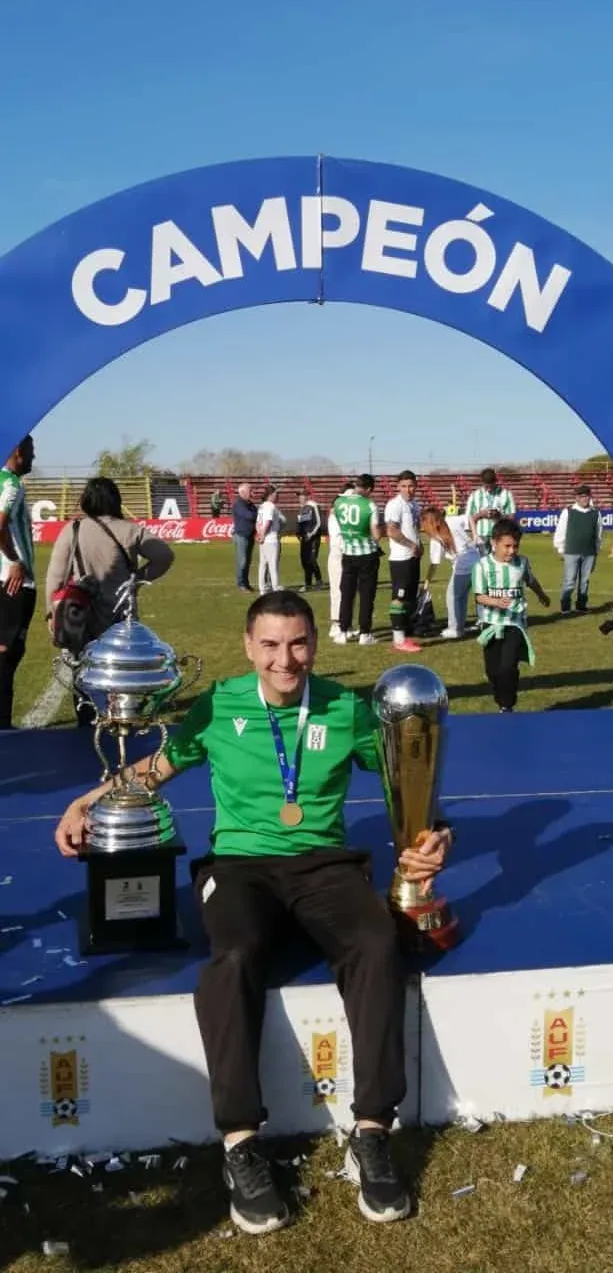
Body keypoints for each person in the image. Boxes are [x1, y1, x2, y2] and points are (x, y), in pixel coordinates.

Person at [54, 590, 453, 1234]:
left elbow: (406, 783)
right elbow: (156, 768)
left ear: (314, 644)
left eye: (297, 643)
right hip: (239, 868)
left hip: (325, 866)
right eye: (269, 645)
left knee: (376, 945)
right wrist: (86, 801)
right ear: (247, 647)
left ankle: (373, 1131)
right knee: (233, 957)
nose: (284, 659)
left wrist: (433, 836)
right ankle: (240, 1142)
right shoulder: (218, 705)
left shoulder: (346, 707)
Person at [45, 477, 174, 724]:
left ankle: (87, 723)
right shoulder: (129, 530)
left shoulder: (73, 529)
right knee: (121, 672)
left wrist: (52, 612)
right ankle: (121, 721)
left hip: (82, 615)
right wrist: (137, 579)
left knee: (83, 669)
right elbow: (164, 555)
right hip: (121, 615)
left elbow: (56, 576)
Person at [473, 518, 550, 712]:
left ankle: (507, 706)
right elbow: (479, 596)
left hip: (515, 623)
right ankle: (503, 697)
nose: (512, 551)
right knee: (493, 671)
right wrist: (495, 602)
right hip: (490, 624)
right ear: (494, 543)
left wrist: (541, 595)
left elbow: (531, 580)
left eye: (515, 546)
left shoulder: (522, 563)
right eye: (507, 546)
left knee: (507, 667)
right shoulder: (482, 566)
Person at [0, 434, 36, 729]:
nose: (34, 457)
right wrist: (14, 560)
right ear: (18, 451)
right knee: (6, 651)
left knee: (11, 649)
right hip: (12, 582)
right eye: (31, 450)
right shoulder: (11, 484)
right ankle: (2, 723)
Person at [332, 474, 382, 647]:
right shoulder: (369, 505)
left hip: (348, 552)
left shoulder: (339, 502)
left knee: (347, 594)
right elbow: (376, 535)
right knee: (366, 595)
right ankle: (365, 633)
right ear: (368, 489)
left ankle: (343, 630)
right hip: (367, 553)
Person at [421, 507, 480, 640]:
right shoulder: (452, 521)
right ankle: (461, 626)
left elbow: (434, 563)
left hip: (463, 567)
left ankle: (455, 629)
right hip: (477, 561)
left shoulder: (436, 538)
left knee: (452, 597)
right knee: (462, 597)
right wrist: (475, 535)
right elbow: (470, 517)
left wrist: (427, 582)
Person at [384, 470, 422, 653]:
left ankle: (405, 632)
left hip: (413, 557)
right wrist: (411, 545)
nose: (408, 489)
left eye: (411, 486)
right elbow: (391, 530)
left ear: (416, 486)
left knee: (409, 597)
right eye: (404, 486)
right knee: (399, 597)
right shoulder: (395, 505)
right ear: (398, 487)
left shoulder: (414, 505)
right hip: (401, 558)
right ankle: (398, 639)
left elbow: (414, 529)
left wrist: (418, 545)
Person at [553, 484, 603, 614]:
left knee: (585, 581)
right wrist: (560, 549)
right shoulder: (568, 511)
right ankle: (565, 606)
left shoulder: (596, 513)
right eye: (581, 496)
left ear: (590, 497)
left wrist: (597, 551)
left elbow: (598, 534)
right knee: (570, 581)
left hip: (589, 552)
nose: (584, 499)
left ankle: (581, 605)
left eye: (586, 496)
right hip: (571, 551)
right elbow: (561, 531)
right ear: (576, 498)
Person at [326, 482, 354, 640]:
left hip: (348, 554)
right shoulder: (336, 515)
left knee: (349, 590)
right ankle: (336, 624)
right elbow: (339, 538)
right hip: (339, 555)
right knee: (338, 589)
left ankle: (347, 624)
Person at [466, 468, 516, 556]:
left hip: (500, 535)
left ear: (495, 481)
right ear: (482, 482)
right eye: (486, 486)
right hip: (481, 536)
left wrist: (499, 516)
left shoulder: (506, 494)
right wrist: (481, 514)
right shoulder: (474, 496)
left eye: (491, 486)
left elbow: (512, 517)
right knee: (483, 561)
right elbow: (468, 519)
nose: (489, 489)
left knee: (500, 561)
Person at [256, 487, 286, 595]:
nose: (277, 496)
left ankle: (262, 589)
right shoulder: (271, 506)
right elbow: (268, 521)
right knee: (273, 565)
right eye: (276, 494)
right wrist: (263, 534)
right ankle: (275, 587)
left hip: (264, 539)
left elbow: (258, 523)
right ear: (271, 495)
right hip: (271, 538)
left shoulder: (261, 506)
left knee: (263, 564)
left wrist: (260, 534)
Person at [231, 482, 258, 592]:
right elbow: (249, 516)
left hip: (250, 535)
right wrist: (258, 514)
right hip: (241, 535)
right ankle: (241, 584)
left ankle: (246, 583)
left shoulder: (250, 504)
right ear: (243, 492)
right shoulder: (239, 504)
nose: (252, 493)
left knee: (247, 561)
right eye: (250, 491)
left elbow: (254, 514)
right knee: (242, 561)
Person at [295, 491, 322, 591]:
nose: (300, 498)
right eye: (299, 496)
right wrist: (298, 532)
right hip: (304, 538)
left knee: (312, 560)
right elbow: (300, 522)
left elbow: (318, 523)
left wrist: (310, 534)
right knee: (304, 561)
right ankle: (308, 583)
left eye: (301, 496)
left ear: (307, 497)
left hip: (313, 538)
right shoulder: (302, 508)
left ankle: (318, 580)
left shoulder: (314, 506)